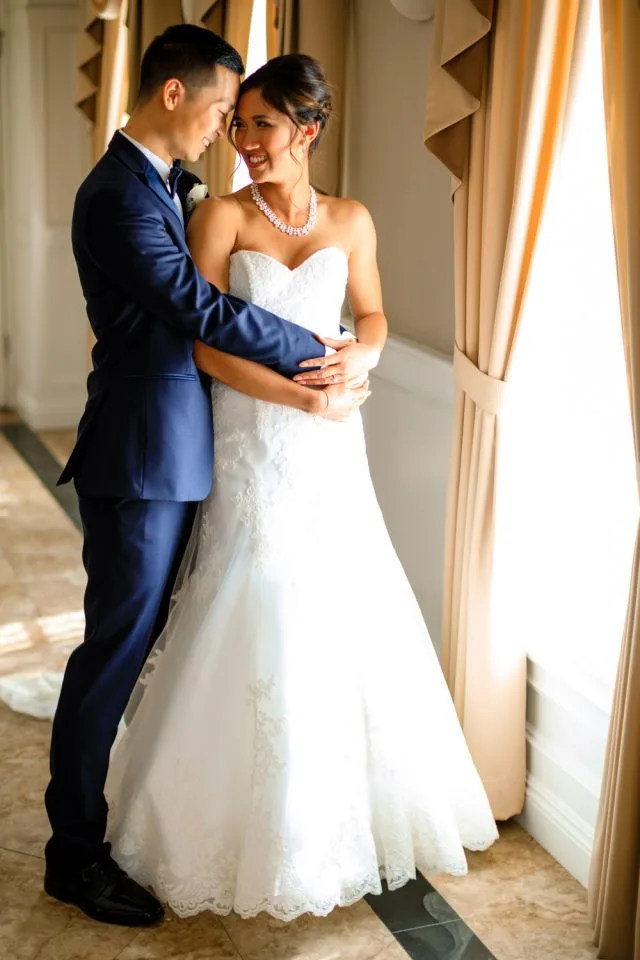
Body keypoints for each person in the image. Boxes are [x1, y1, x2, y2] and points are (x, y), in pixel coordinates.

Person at [104, 53, 499, 923]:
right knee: (254, 597)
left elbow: (374, 314)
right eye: (238, 123)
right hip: (254, 437)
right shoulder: (218, 216)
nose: (244, 141)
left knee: (340, 604)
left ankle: (341, 821)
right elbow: (204, 346)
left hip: (331, 448)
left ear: (307, 130)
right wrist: (304, 399)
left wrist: (363, 358)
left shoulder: (353, 220)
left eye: (262, 125)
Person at [43, 27, 367, 928]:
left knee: (155, 643)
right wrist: (322, 349)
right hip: (143, 454)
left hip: (184, 450)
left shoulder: (162, 182)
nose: (229, 129)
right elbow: (197, 308)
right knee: (114, 651)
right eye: (225, 108)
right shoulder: (117, 194)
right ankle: (73, 855)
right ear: (175, 94)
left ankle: (133, 813)